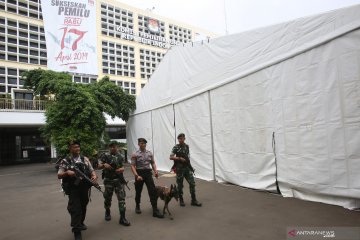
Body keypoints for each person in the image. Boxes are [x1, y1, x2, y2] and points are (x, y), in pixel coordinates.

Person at [57, 140, 98, 240]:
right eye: (75, 147)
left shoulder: (85, 159)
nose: (77, 148)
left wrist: (94, 176)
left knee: (83, 206)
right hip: (73, 189)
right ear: (70, 149)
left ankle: (80, 222)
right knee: (76, 209)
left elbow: (92, 171)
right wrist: (67, 173)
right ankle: (77, 231)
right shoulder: (65, 161)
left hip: (84, 188)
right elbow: (59, 175)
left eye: (78, 147)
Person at [98, 141, 130, 226]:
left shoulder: (120, 156)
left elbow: (122, 166)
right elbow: (99, 165)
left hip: (119, 180)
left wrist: (122, 169)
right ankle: (107, 211)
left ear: (117, 147)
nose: (113, 148)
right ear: (109, 148)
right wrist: (104, 164)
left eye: (114, 146)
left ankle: (122, 218)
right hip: (108, 180)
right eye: (111, 147)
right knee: (108, 198)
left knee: (122, 199)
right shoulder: (105, 155)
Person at [131, 138, 164, 218]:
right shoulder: (135, 154)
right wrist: (136, 176)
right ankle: (137, 206)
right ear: (138, 144)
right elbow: (132, 166)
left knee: (152, 191)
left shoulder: (149, 153)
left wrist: (155, 171)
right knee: (138, 191)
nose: (142, 144)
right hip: (139, 173)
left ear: (145, 144)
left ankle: (155, 210)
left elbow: (153, 163)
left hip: (148, 173)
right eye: (141, 143)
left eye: (144, 143)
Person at [169, 133, 202, 207]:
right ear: (178, 139)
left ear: (184, 139)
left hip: (187, 168)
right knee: (180, 185)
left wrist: (191, 167)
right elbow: (171, 157)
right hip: (179, 169)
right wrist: (179, 158)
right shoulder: (176, 147)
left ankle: (193, 200)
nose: (181, 140)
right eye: (179, 139)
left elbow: (187, 158)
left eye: (182, 138)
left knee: (192, 183)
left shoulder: (187, 147)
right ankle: (181, 200)